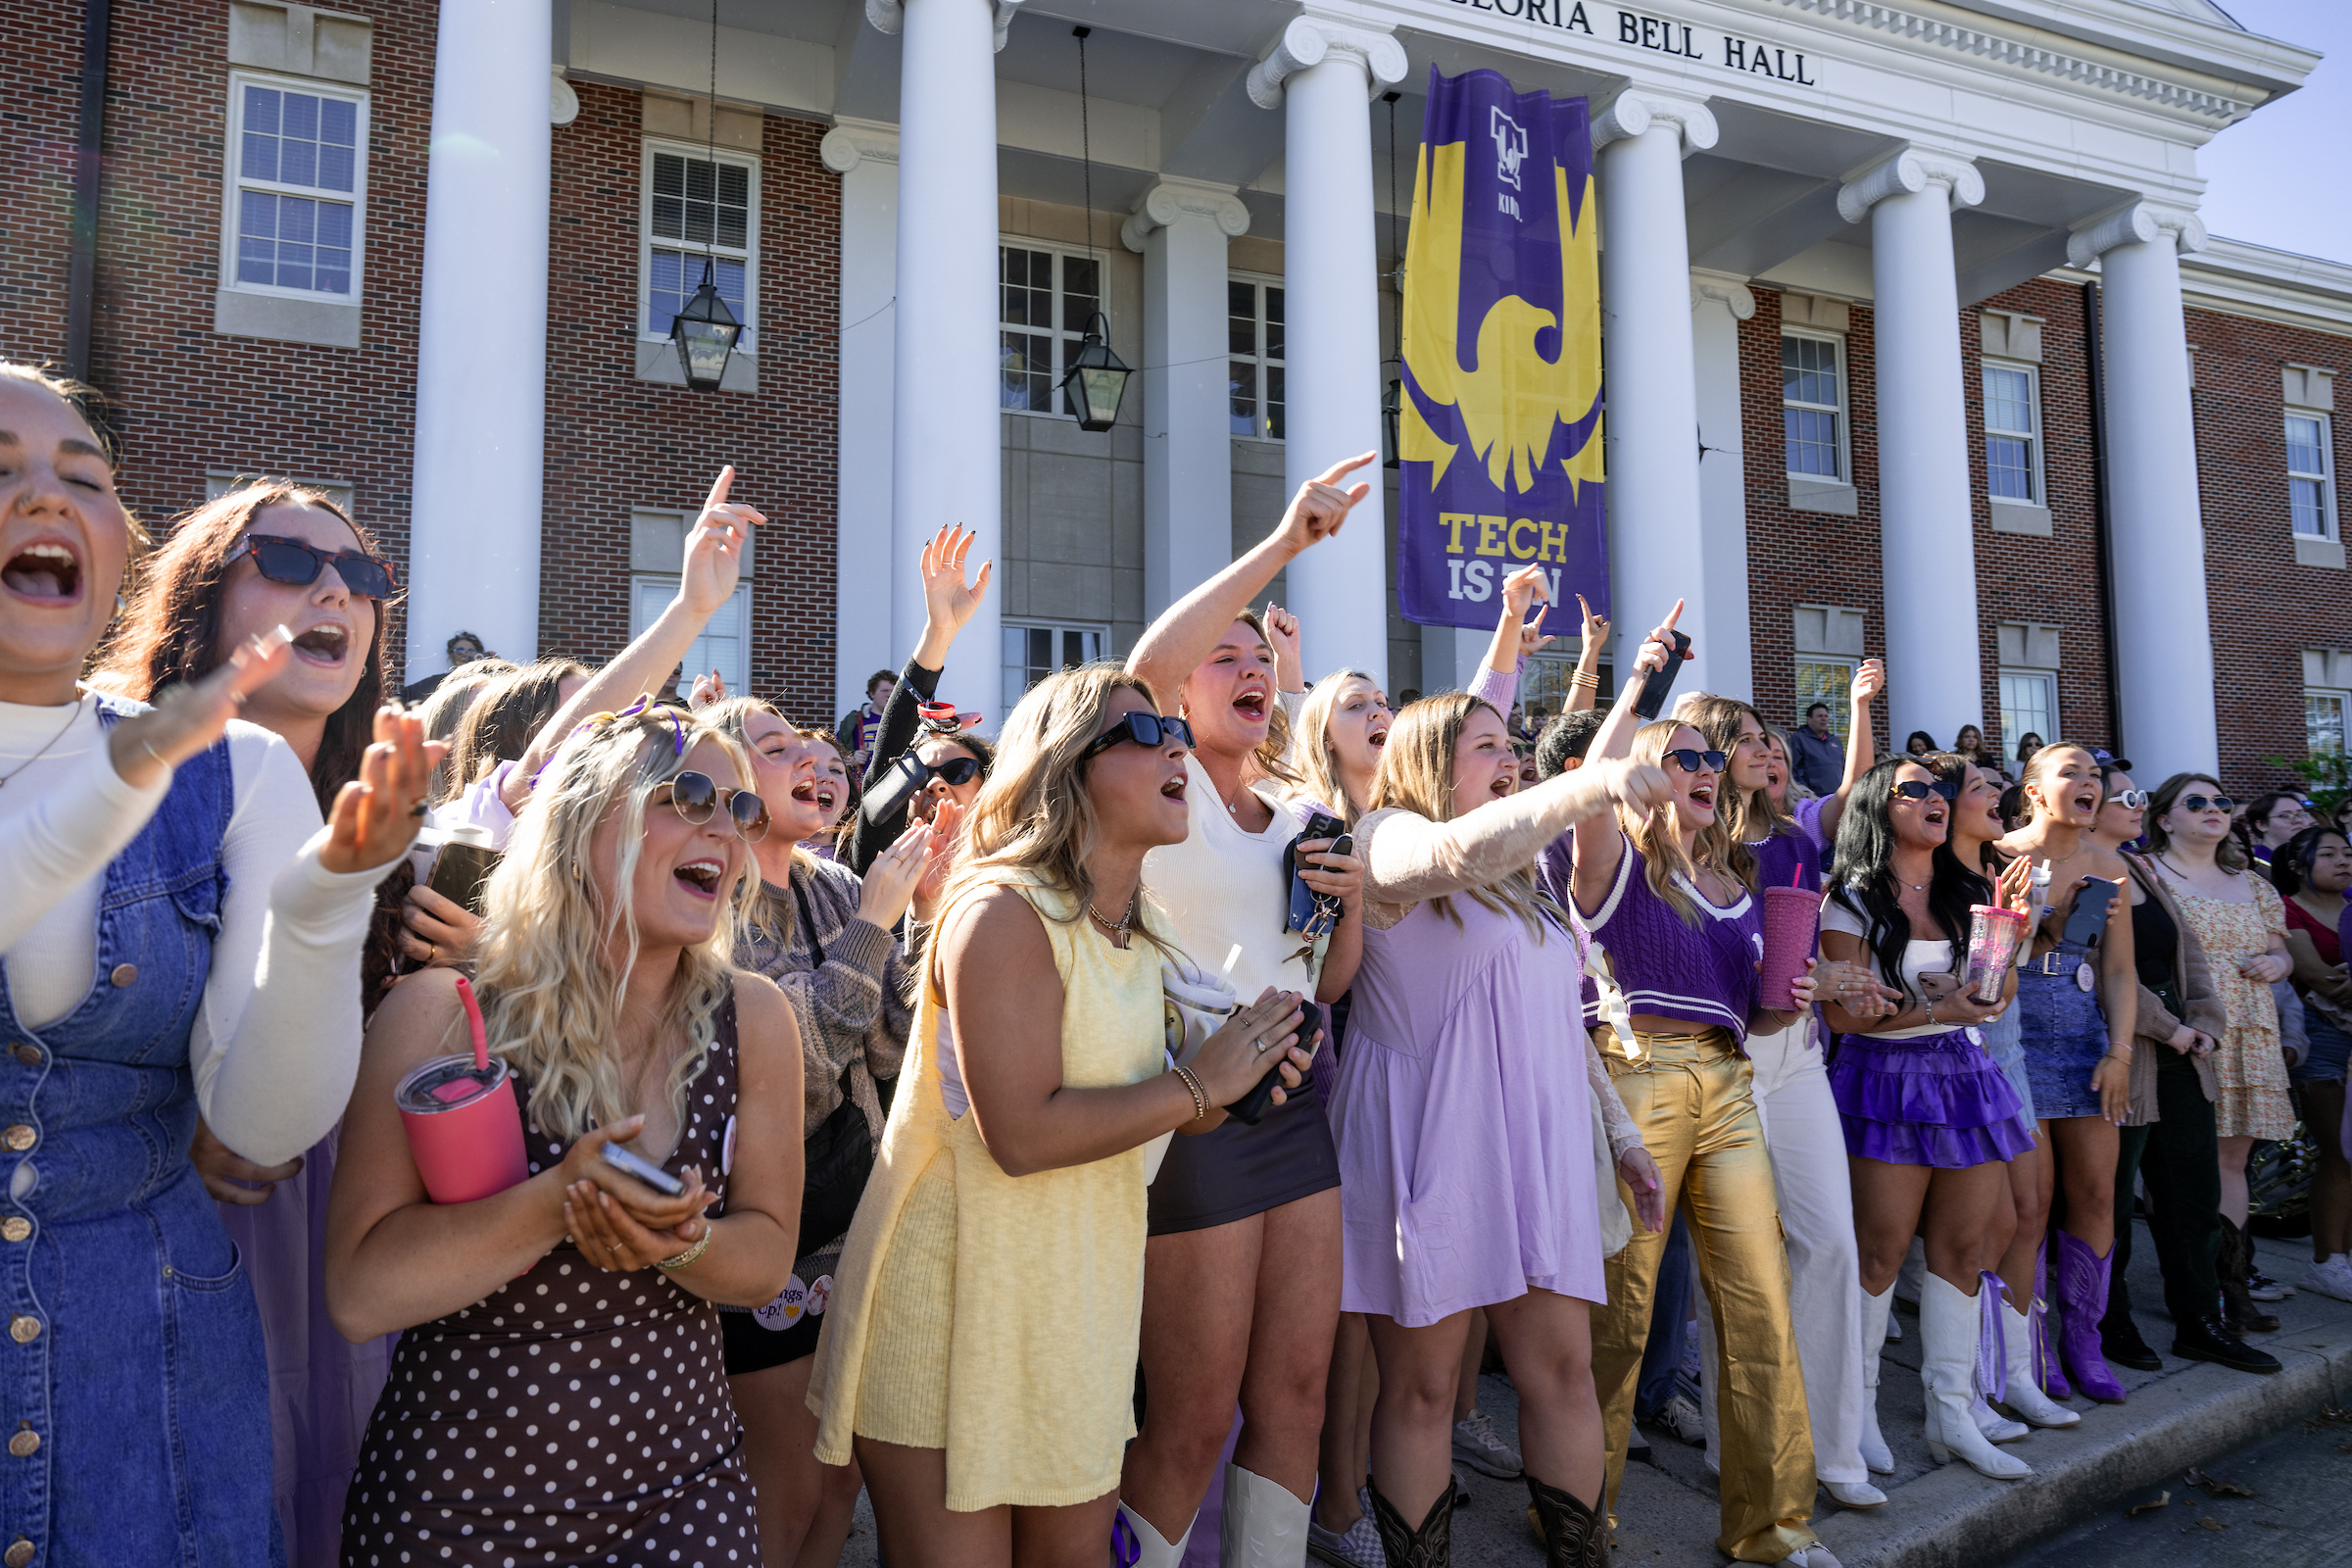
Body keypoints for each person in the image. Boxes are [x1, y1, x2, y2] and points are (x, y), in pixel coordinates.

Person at [0, 360, 433, 1565]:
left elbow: (261, 1122)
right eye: (289, 561)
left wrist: (331, 907)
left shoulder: (249, 776)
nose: (44, 497)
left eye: (82, 476)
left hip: (163, 1336)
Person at [808, 666, 1316, 1567]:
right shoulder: (1000, 912)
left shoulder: (1139, 932)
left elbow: (1144, 1115)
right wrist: (1199, 1085)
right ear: (1067, 766)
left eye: (1177, 733)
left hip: (1074, 1309)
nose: (1176, 747)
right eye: (1146, 732)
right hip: (952, 1307)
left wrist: (1239, 1076)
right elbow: (1025, 1133)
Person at [329, 703, 805, 1564]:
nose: (727, 832)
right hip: (462, 1511)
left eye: (742, 811)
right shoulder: (447, 1012)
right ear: (581, 816)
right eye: (689, 794)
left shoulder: (755, 1015)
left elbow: (767, 1259)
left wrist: (676, 1239)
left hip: (682, 1502)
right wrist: (555, 1204)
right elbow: (361, 1293)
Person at [96, 475, 429, 1564]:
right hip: (166, 1223)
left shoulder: (379, 823)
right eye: (286, 560)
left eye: (364, 573)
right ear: (202, 600)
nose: (335, 584)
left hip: (329, 1208)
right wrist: (170, 1099)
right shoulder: (120, 779)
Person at [1329, 691, 1670, 1563]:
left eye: (1512, 742)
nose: (1510, 757)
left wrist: (1622, 1139)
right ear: (1427, 762)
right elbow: (1451, 852)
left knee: (1560, 1373)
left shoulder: (1528, 880)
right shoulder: (1385, 841)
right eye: (1486, 746)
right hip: (1430, 1137)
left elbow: (1560, 1021)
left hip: (1538, 1143)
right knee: (1423, 1391)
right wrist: (1589, 785)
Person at [1115, 459, 1374, 1568]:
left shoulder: (1306, 813)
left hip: (1301, 1105)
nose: (1249, 668)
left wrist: (1349, 899)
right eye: (1224, 657)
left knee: (1298, 1395)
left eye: (1262, 659)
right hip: (1202, 1114)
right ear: (1181, 693)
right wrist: (1282, 544)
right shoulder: (1158, 788)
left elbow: (1326, 980)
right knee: (1191, 1409)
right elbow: (1143, 666)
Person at [1564, 602, 1834, 1568]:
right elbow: (1593, 783)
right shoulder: (1611, 859)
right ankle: (1581, 1519)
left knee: (1759, 1302)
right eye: (1685, 759)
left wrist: (1786, 999)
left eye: (1711, 762)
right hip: (1634, 1073)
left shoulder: (1737, 883)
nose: (1708, 771)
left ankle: (1773, 1529)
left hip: (1730, 1080)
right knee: (1621, 1312)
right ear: (1644, 771)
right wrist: (1642, 681)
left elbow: (1752, 1019)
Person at [702, 698, 932, 1567]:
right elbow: (793, 1066)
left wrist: (918, 915)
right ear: (729, 782)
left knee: (838, 1481)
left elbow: (887, 1044)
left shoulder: (830, 883)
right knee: (784, 1485)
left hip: (843, 1219)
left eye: (811, 745)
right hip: (756, 1224)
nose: (811, 759)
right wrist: (875, 927)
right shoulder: (709, 892)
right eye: (775, 747)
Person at [1682, 695, 1889, 1508]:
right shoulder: (1692, 843)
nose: (1774, 754)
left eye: (1776, 742)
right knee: (1740, 1268)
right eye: (1754, 742)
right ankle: (1741, 1450)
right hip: (1722, 1059)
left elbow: (1800, 963)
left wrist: (1835, 980)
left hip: (1797, 1060)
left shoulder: (1801, 842)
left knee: (1831, 1245)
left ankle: (1835, 1448)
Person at [1820, 755, 2037, 1480]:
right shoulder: (1847, 898)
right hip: (1881, 1081)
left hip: (1963, 1073)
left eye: (1942, 789)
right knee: (1879, 1254)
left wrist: (2013, 929)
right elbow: (1844, 1017)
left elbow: (1992, 996)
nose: (1937, 798)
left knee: (1965, 1249)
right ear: (1882, 807)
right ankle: (1854, 1417)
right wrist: (1938, 1005)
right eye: (1916, 789)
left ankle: (1953, 1413)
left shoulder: (1968, 888)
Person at [2088, 771, 2278, 1375]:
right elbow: (2098, 965)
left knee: (2193, 1192)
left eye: (2140, 795)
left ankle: (2201, 1319)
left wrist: (2206, 1020)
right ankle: (2107, 1319)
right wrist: (2169, 1027)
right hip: (2126, 1048)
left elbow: (2186, 953)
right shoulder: (2086, 872)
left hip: (2184, 1048)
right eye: (2127, 797)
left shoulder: (2141, 870)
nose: (2137, 804)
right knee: (2111, 1200)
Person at [1929, 753, 2090, 1426]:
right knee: (1981, 1228)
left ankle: (2017, 1372)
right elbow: (1959, 991)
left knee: (2030, 1211)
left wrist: (2020, 928)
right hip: (1954, 1060)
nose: (1997, 794)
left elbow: (2002, 988)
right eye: (1981, 788)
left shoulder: (2003, 873)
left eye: (1997, 786)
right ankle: (1965, 1387)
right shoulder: (1926, 877)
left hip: (2009, 1054)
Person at [1995, 745, 2137, 1404]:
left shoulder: (2111, 865)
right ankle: (2030, 1346)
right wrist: (2041, 919)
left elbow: (2118, 970)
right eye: (2071, 772)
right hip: (2015, 1032)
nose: (2089, 783)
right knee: (2033, 1205)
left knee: (2099, 1196)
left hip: (2084, 1039)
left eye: (2095, 775)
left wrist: (2121, 1053)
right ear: (2033, 789)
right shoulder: (1995, 852)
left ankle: (2085, 1339)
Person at [2141, 773, 2297, 1338]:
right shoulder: (2148, 874)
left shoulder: (2254, 883)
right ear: (2164, 818)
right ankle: (2192, 1284)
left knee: (2231, 1162)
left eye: (2222, 802)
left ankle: (2233, 1286)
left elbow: (2282, 955)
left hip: (2248, 1032)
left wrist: (2276, 966)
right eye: (2196, 802)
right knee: (2177, 1168)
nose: (2213, 809)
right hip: (2182, 1031)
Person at [840, 524, 992, 876]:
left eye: (957, 772)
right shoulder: (881, 868)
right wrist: (938, 632)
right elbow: (888, 752)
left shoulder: (1021, 886)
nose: (934, 784)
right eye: (916, 777)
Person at [2271, 825, 2352, 1301]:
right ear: (2299, 864)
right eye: (2329, 854)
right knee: (2339, 1151)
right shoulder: (2288, 909)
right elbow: (2319, 978)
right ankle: (2327, 1262)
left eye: (2348, 852)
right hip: (2320, 1039)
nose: (2343, 860)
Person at [397, 627, 494, 704]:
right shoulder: (440, 681)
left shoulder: (488, 681)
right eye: (459, 651)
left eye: (471, 651)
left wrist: (496, 667)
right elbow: (403, 697)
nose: (465, 654)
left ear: (479, 655)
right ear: (452, 656)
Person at [838, 668, 898, 774]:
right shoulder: (854, 720)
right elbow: (834, 752)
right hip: (860, 784)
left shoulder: (902, 721)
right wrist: (851, 759)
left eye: (893, 692)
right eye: (884, 691)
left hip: (892, 782)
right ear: (872, 693)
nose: (889, 695)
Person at [2241, 790, 2315, 872]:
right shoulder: (2253, 863)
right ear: (2262, 825)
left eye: (2301, 814)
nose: (2298, 820)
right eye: (2286, 816)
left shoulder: (2314, 858)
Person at [1787, 702, 1844, 800]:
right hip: (1815, 797)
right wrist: (1806, 792)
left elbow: (1844, 767)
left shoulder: (1835, 741)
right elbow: (1793, 769)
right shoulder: (1799, 739)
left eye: (1826, 716)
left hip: (1838, 796)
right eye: (1819, 716)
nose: (1824, 719)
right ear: (1809, 720)